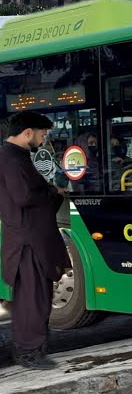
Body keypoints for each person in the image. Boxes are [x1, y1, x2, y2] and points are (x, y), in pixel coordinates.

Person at [0, 112, 67, 369]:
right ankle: (29, 354)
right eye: (41, 134)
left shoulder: (12, 157)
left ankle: (32, 350)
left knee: (32, 299)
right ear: (28, 132)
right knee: (33, 300)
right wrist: (52, 191)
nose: (42, 139)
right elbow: (24, 196)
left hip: (25, 239)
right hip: (27, 242)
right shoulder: (13, 159)